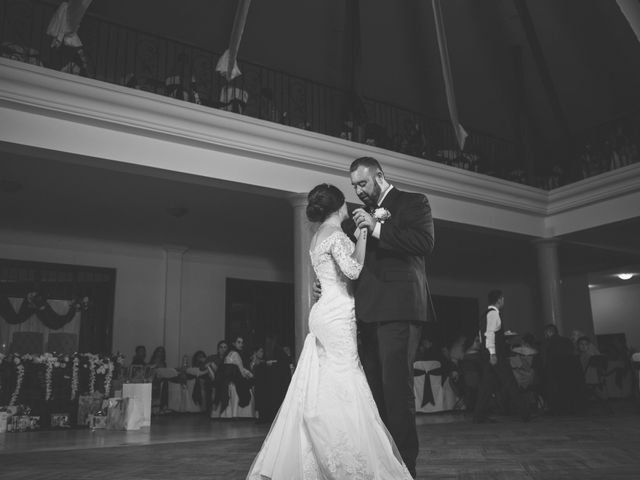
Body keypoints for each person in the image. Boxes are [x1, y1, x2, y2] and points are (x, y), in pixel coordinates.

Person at [247, 183, 412, 479]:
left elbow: (327, 275)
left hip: (322, 311)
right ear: (338, 206)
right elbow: (352, 271)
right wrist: (362, 236)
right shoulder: (335, 234)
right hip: (337, 313)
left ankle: (314, 434)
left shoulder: (315, 237)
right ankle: (344, 447)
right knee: (346, 377)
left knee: (322, 379)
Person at [347, 156, 434, 477]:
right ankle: (381, 463)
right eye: (353, 185)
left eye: (362, 183)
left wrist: (379, 227)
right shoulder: (358, 216)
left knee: (396, 390)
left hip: (399, 308)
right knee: (373, 392)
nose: (358, 190)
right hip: (367, 312)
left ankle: (403, 467)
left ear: (379, 176)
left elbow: (424, 243)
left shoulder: (413, 202)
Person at [473, 290, 530, 423]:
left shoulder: (485, 314)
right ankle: (525, 414)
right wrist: (493, 353)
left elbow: (483, 335)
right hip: (494, 354)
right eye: (502, 299)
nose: (503, 301)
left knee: (486, 385)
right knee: (510, 382)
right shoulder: (493, 314)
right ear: (499, 300)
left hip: (487, 353)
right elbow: (490, 334)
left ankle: (478, 416)